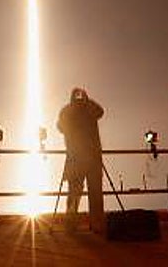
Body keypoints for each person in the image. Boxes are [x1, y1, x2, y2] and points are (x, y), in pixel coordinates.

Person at [56, 87, 106, 233]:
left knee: (83, 191)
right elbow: (60, 126)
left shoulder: (80, 109)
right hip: (82, 157)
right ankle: (83, 224)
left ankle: (84, 224)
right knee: (80, 192)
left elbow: (100, 111)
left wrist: (86, 101)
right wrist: (85, 101)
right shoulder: (77, 110)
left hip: (84, 157)